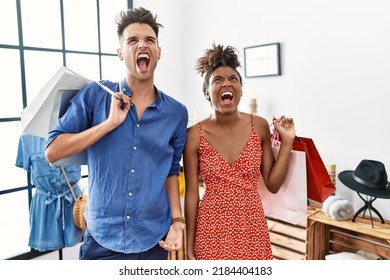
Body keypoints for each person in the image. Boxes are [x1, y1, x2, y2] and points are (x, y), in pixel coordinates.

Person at [45, 7, 188, 260]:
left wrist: (177, 220)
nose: (142, 45)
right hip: (101, 240)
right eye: (132, 40)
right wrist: (108, 124)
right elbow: (53, 151)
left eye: (149, 40)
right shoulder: (94, 95)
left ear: (158, 52)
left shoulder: (176, 113)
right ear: (121, 53)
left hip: (153, 241)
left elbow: (171, 171)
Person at [183, 43, 295, 260]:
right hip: (210, 232)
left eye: (233, 79)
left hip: (252, 229)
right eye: (217, 80)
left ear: (241, 90)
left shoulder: (260, 126)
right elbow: (191, 193)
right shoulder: (194, 135)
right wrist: (189, 248)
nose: (227, 83)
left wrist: (287, 141)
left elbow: (272, 184)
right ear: (207, 92)